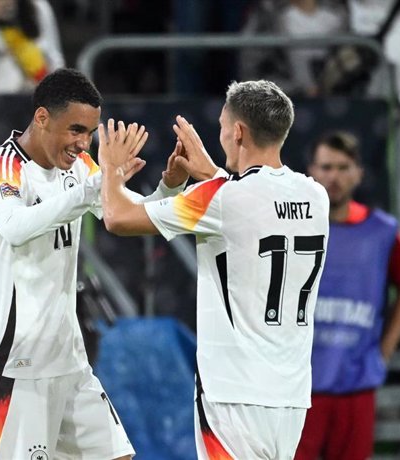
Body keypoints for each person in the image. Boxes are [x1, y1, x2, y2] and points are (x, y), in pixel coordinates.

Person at [98, 80, 330, 459]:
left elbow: (118, 217)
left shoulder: (219, 199)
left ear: (237, 132)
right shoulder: (314, 196)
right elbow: (251, 206)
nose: (221, 136)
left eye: (223, 127)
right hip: (290, 395)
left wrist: (110, 167)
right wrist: (211, 174)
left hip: (233, 392)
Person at [0, 67, 187, 459]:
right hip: (10, 363)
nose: (83, 144)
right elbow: (14, 227)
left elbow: (126, 214)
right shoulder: (0, 167)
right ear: (42, 117)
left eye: (90, 133)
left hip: (67, 358)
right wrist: (89, 191)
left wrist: (170, 186)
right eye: (75, 130)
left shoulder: (81, 169)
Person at [295, 131, 400, 460]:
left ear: (359, 173)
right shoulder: (293, 227)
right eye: (326, 167)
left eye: (343, 167)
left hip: (355, 385)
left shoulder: (382, 231)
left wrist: (385, 351)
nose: (334, 177)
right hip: (298, 387)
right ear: (311, 172)